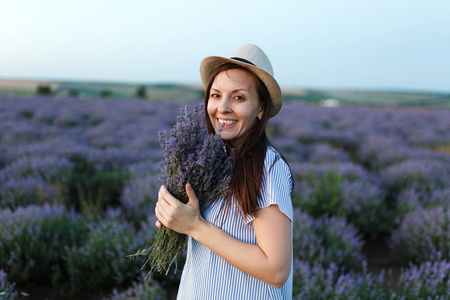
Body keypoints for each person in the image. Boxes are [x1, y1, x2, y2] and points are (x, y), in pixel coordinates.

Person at [155, 44, 293, 299]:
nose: (223, 107)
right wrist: (174, 216)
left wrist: (195, 226)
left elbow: (276, 271)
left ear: (261, 108)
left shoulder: (268, 168)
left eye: (239, 97)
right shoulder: (212, 162)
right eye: (216, 95)